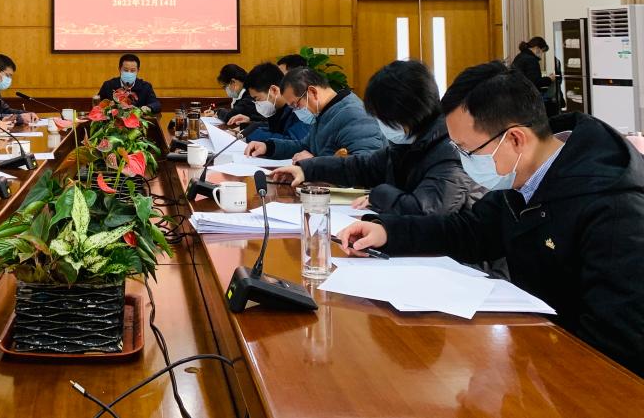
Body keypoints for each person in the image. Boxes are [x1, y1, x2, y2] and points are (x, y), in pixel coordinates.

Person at [337, 61, 644, 377]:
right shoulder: (526, 176)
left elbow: (617, 344)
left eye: (467, 151)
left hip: (584, 376)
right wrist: (388, 232)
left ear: (515, 139)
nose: (462, 161)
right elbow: (472, 231)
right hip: (538, 357)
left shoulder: (614, 209)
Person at [271, 60, 482, 215]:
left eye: (381, 117)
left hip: (454, 259)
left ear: (405, 113)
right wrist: (307, 169)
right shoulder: (407, 143)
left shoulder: (451, 151)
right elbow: (362, 166)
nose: (379, 124)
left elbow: (425, 210)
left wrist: (378, 195)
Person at [245, 67, 384, 160]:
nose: (295, 111)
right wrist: (268, 147)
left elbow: (365, 164)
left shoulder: (354, 115)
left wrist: (314, 163)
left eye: (296, 105)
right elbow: (305, 145)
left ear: (312, 92)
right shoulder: (324, 112)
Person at [227, 63, 309, 142]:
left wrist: (251, 134)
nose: (256, 103)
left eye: (257, 98)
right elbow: (273, 129)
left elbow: (294, 142)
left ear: (274, 90)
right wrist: (247, 127)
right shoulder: (278, 108)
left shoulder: (299, 108)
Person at [0, 54, 39, 125]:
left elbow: (5, 110)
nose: (9, 79)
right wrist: (19, 118)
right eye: (8, 75)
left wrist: (26, 114)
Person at [97, 53, 162, 114]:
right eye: (126, 70)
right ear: (119, 69)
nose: (129, 73)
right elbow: (97, 105)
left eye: (132, 70)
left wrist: (148, 108)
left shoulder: (145, 86)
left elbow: (156, 104)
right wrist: (107, 107)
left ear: (138, 71)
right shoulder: (108, 85)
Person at [511, 36, 556, 110]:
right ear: (537, 48)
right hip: (527, 100)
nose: (542, 54)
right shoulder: (531, 60)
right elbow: (535, 83)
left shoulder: (519, 56)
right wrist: (550, 79)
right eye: (542, 51)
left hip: (516, 99)